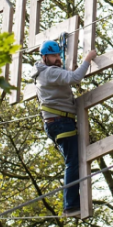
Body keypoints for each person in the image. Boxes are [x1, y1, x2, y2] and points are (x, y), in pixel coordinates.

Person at [32, 40, 97, 217]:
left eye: (58, 56)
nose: (57, 59)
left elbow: (66, 74)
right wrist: (88, 59)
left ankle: (73, 202)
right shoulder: (50, 73)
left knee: (74, 161)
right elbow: (75, 78)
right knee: (73, 162)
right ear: (44, 58)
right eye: (54, 56)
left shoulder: (45, 72)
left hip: (58, 122)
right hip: (60, 122)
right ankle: (70, 205)